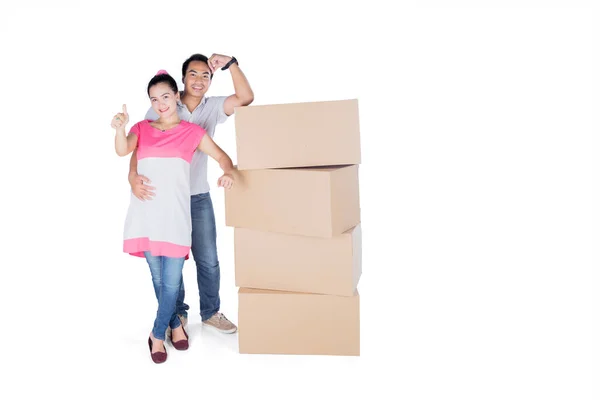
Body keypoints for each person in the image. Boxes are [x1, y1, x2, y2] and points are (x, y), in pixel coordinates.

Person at [112, 70, 235, 364]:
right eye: (154, 99)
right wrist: (120, 128)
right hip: (145, 214)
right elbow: (121, 150)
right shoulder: (142, 128)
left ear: (176, 96)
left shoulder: (192, 133)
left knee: (170, 280)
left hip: (176, 216)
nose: (160, 103)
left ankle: (157, 332)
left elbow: (221, 156)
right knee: (158, 277)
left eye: (165, 97)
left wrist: (228, 172)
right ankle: (175, 324)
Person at [128, 53, 254, 334]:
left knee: (208, 258)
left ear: (211, 81)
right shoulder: (165, 104)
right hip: (165, 198)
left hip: (197, 195)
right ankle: (177, 313)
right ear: (182, 79)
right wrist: (132, 176)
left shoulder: (212, 108)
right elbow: (140, 144)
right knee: (171, 255)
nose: (199, 80)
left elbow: (245, 97)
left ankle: (211, 312)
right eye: (193, 75)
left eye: (205, 76)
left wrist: (231, 63)